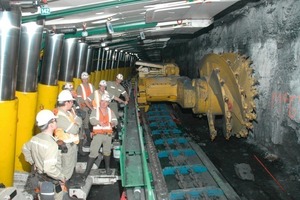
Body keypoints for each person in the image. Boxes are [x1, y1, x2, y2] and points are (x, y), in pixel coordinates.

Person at [22, 109, 66, 200]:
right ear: (51, 124)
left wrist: (33, 162)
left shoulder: (35, 138)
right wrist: (62, 177)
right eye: (55, 120)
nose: (56, 121)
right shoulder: (51, 144)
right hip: (50, 182)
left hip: (39, 178)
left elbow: (24, 148)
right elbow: (49, 169)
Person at [82, 94, 118, 179]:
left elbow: (115, 120)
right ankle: (86, 172)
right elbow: (92, 120)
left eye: (105, 102)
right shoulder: (95, 111)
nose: (103, 103)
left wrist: (113, 123)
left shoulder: (110, 111)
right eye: (102, 101)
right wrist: (99, 122)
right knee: (93, 152)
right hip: (98, 135)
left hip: (108, 135)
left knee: (107, 152)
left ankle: (107, 168)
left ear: (108, 103)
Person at [55, 90, 82, 181]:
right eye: (71, 101)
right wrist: (77, 123)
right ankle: (60, 192)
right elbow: (75, 129)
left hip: (72, 146)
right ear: (66, 102)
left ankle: (63, 189)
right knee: (65, 172)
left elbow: (79, 121)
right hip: (66, 147)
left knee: (70, 169)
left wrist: (77, 123)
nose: (72, 103)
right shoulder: (60, 116)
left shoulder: (68, 113)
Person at [76, 72, 95, 141]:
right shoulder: (79, 87)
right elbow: (80, 99)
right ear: (81, 79)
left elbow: (95, 95)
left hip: (92, 106)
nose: (85, 80)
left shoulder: (91, 86)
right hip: (84, 107)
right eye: (83, 79)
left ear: (88, 78)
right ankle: (88, 138)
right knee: (86, 123)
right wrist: (89, 106)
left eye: (86, 79)